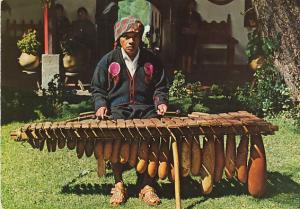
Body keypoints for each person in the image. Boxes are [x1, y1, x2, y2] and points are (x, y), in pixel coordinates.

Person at [91, 16, 169, 206]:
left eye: (135, 36)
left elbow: (161, 86)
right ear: (119, 39)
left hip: (146, 110)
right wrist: (101, 104)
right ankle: (119, 184)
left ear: (140, 37)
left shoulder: (152, 59)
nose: (131, 40)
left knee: (154, 138)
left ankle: (147, 185)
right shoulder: (108, 61)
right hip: (118, 110)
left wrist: (160, 102)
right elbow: (97, 89)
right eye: (126, 36)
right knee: (114, 142)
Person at [179, 0, 202, 74]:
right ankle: (183, 67)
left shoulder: (197, 15)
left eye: (193, 5)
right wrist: (185, 29)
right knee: (183, 49)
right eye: (190, 5)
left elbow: (199, 26)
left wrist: (193, 29)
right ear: (188, 5)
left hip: (192, 36)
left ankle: (189, 68)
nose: (191, 7)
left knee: (190, 49)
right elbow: (180, 25)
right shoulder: (183, 14)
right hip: (184, 35)